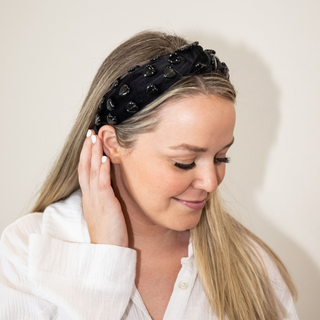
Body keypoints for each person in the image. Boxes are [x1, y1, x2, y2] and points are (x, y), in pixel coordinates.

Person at [0, 30, 299, 320]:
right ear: (112, 144)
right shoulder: (26, 252)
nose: (210, 182)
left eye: (222, 157)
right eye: (184, 162)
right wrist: (104, 262)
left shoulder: (253, 267)